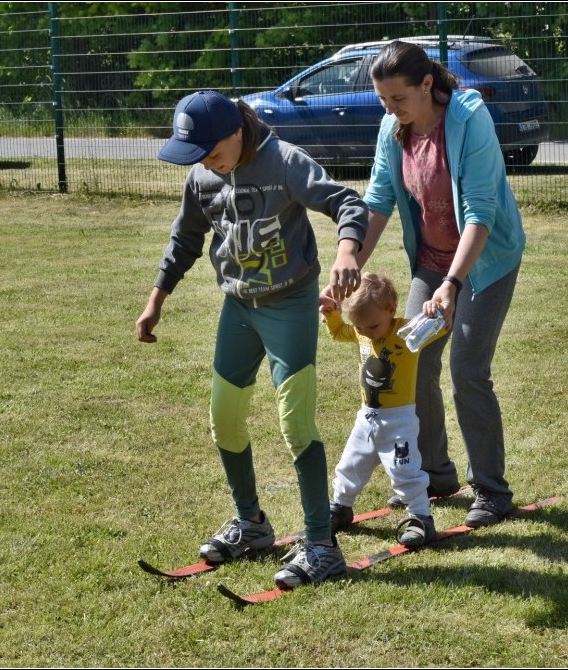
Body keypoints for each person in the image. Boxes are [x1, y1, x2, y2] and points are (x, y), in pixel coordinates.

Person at [135, 90, 368, 589]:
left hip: (290, 305)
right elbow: (185, 239)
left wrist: (347, 252)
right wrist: (157, 299)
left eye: (210, 151)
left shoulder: (283, 162)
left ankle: (322, 546)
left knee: (295, 423)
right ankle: (251, 525)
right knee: (224, 419)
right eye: (195, 155)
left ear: (236, 131)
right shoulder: (202, 176)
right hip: (239, 307)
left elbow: (346, 201)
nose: (204, 163)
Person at [327, 40, 526, 528]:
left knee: (467, 369)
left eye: (398, 99)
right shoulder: (391, 126)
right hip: (431, 261)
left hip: (484, 261)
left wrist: (453, 284)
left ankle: (492, 490)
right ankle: (436, 475)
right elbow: (378, 199)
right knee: (413, 360)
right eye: (383, 100)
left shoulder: (469, 120)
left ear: (427, 85)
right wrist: (350, 259)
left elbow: (480, 212)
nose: (390, 109)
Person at [322, 272, 449, 548]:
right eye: (360, 328)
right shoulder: (361, 330)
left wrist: (433, 309)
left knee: (405, 471)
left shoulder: (408, 333)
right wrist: (331, 313)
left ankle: (420, 518)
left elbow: (442, 326)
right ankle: (341, 507)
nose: (366, 333)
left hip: (398, 422)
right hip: (366, 419)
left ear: (391, 310)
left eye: (372, 327)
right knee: (349, 466)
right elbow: (337, 331)